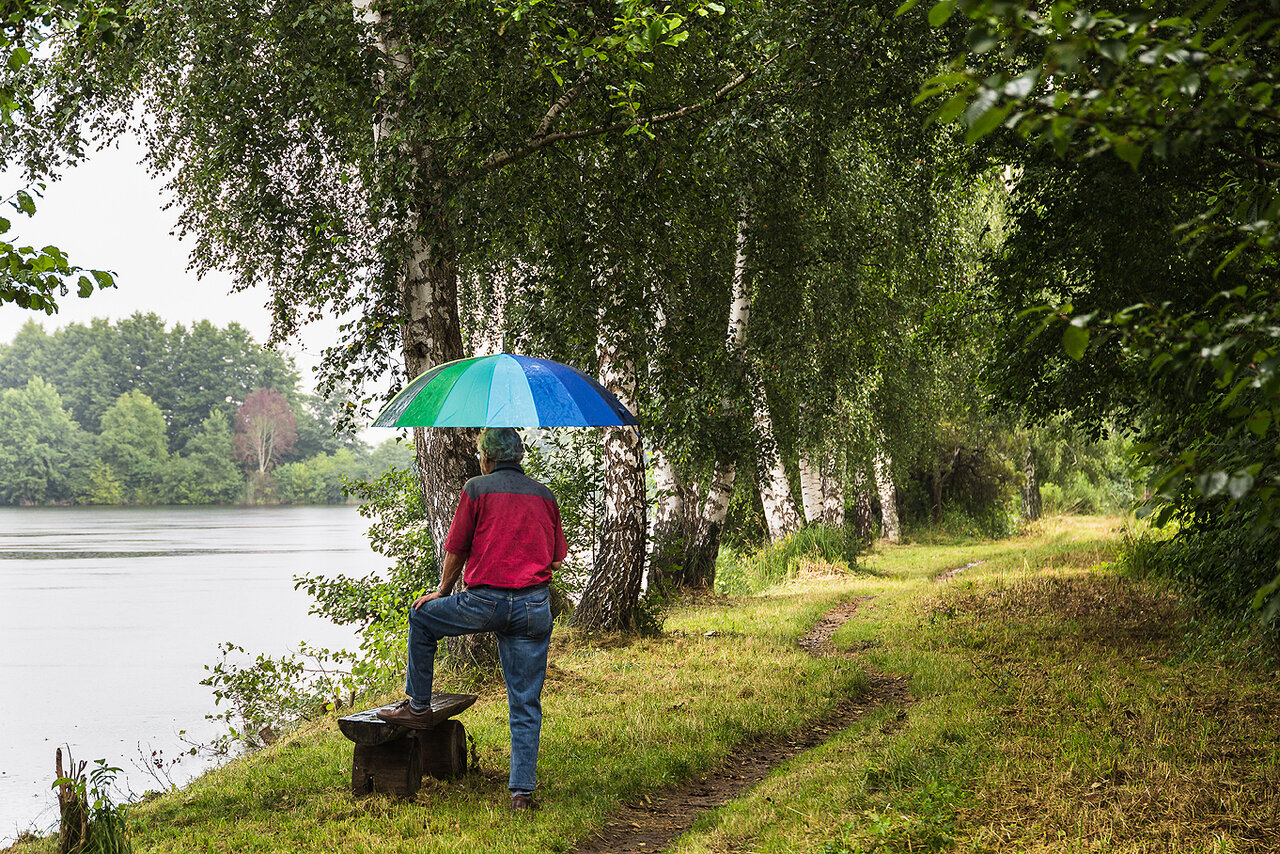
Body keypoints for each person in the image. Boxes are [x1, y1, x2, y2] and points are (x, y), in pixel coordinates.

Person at [378, 427, 566, 812]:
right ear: (520, 456)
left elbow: (457, 547)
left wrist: (443, 591)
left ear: (487, 457)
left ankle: (417, 706)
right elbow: (557, 557)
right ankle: (521, 794)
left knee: (422, 617)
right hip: (533, 609)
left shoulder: (476, 489)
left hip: (484, 602)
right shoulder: (544, 495)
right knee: (526, 703)